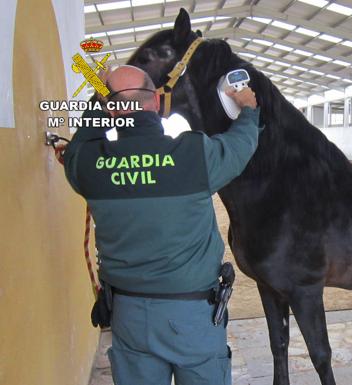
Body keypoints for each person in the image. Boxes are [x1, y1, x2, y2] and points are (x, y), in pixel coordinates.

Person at [63, 65, 260, 385]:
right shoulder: (194, 153)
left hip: (129, 317)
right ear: (155, 101)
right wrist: (249, 109)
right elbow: (241, 145)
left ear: (110, 109)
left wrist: (99, 101)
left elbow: (78, 145)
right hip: (193, 316)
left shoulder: (87, 163)